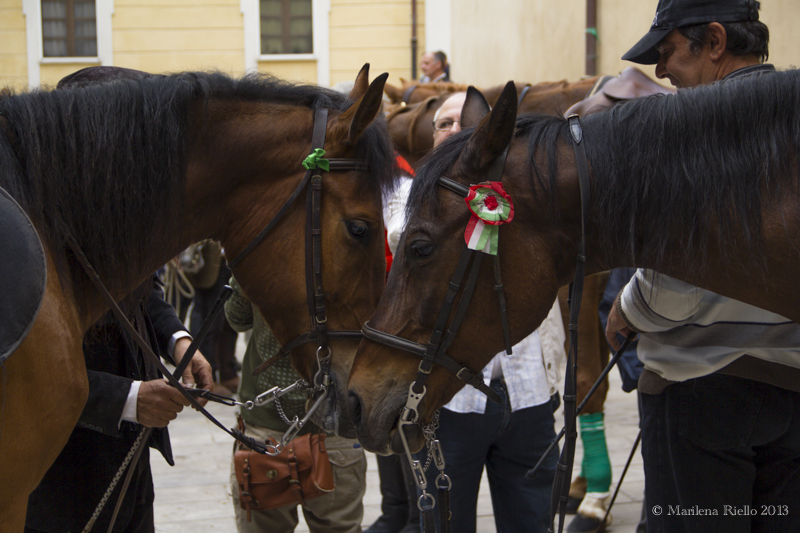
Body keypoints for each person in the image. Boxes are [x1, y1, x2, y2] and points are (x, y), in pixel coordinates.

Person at [607, 2, 800, 531]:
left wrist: (626, 309)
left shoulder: (697, 135)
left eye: (668, 53)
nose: (661, 72)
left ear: (714, 42)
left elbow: (676, 289)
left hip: (703, 396)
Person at [401, 92, 563, 533]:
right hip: (447, 401)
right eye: (445, 124)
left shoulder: (524, 196)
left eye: (466, 123)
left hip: (529, 393)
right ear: (431, 137)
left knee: (533, 521)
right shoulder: (409, 206)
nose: (456, 131)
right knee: (444, 524)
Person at [25, 275, 214, 533]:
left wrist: (178, 339)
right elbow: (24, 370)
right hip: (58, 485)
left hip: (134, 468)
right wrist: (127, 398)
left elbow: (141, 290)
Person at [224, 276, 367, 532]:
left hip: (268, 430)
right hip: (335, 429)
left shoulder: (263, 255)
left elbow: (237, 318)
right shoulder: (353, 248)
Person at [365, 153, 421, 533]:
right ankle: (396, 509)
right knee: (381, 414)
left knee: (407, 417)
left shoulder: (397, 177)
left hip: (403, 317)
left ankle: (416, 515)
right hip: (375, 320)